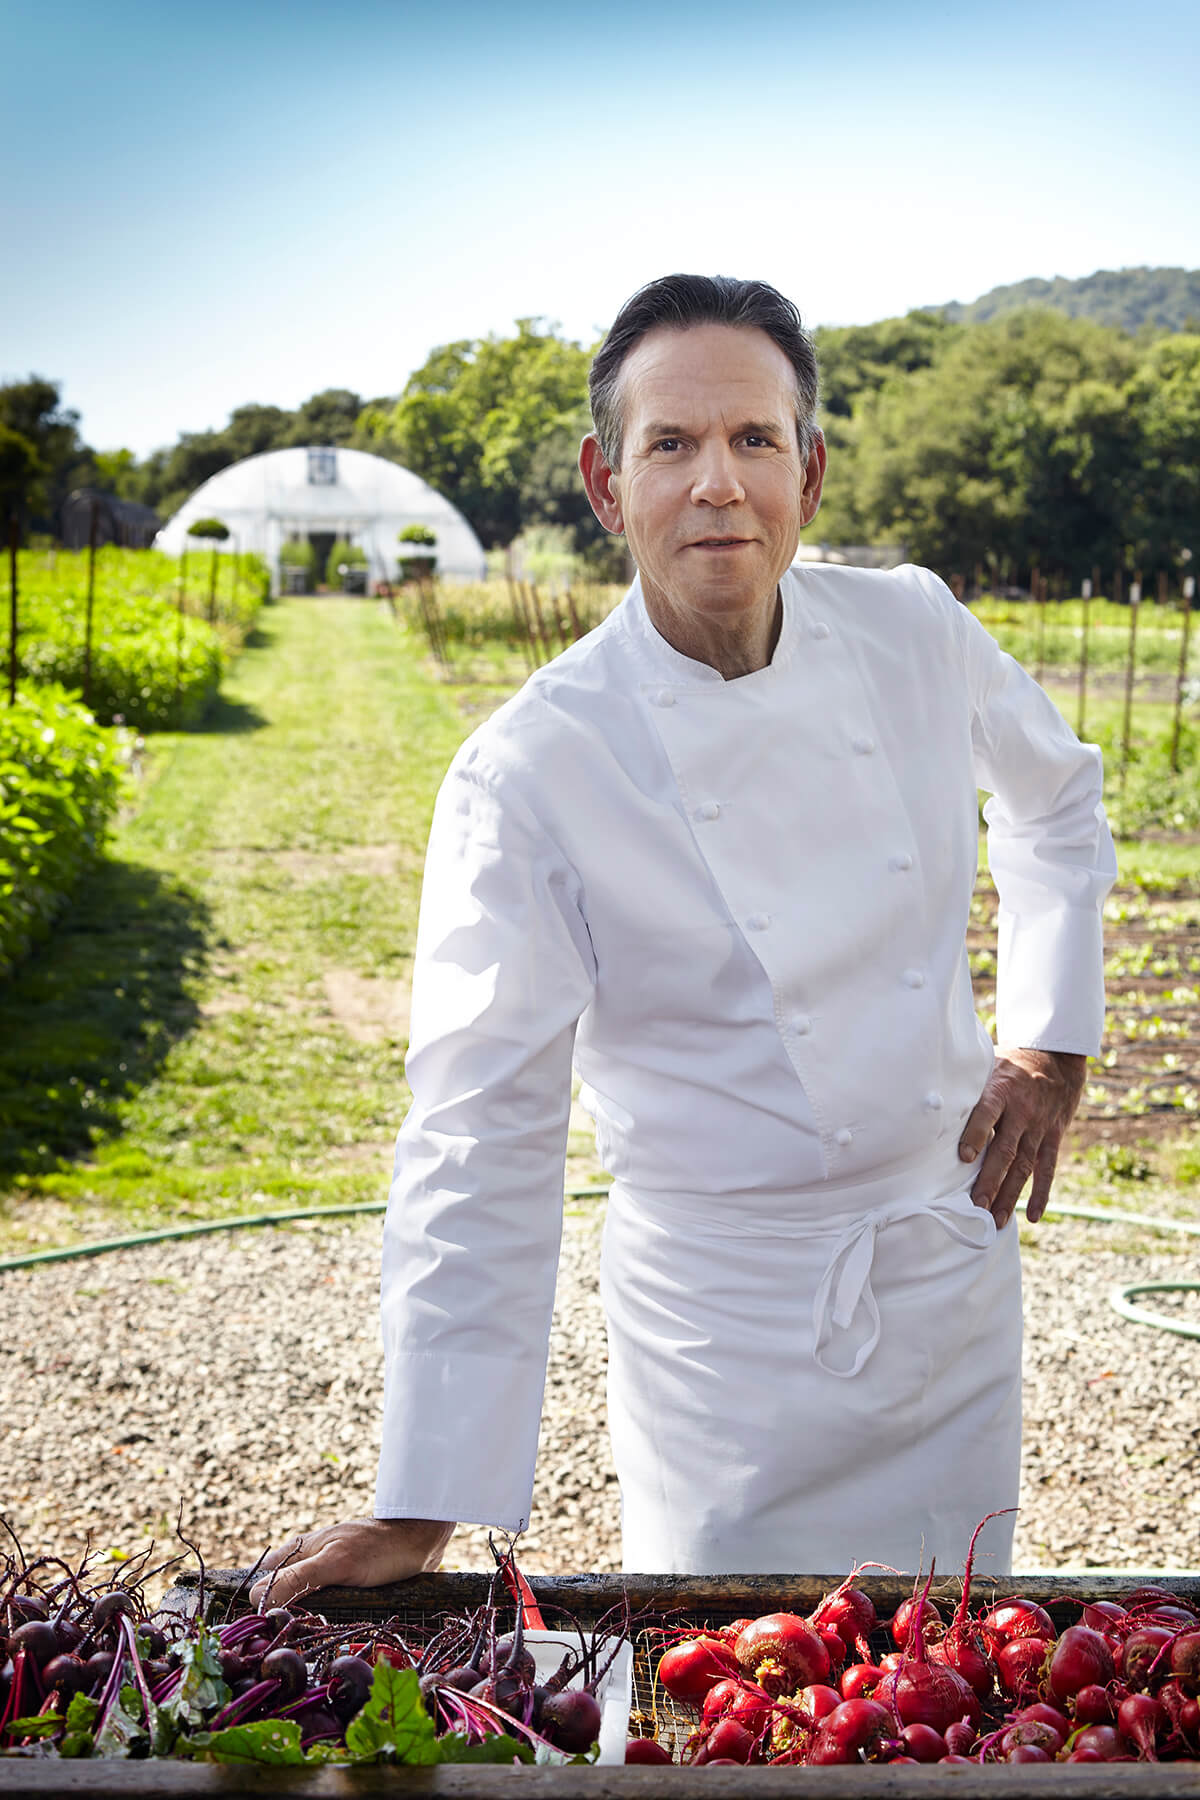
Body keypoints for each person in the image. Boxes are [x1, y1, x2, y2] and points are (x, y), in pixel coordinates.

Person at [252, 275, 1116, 1606]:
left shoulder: (915, 632)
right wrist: (426, 1497)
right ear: (608, 486)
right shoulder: (531, 770)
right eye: (672, 445)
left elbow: (1056, 798)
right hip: (726, 1324)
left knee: (961, 1678)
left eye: (754, 440)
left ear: (810, 474)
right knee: (728, 1684)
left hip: (941, 1273)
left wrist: (1049, 1045)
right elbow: (479, 1131)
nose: (718, 483)